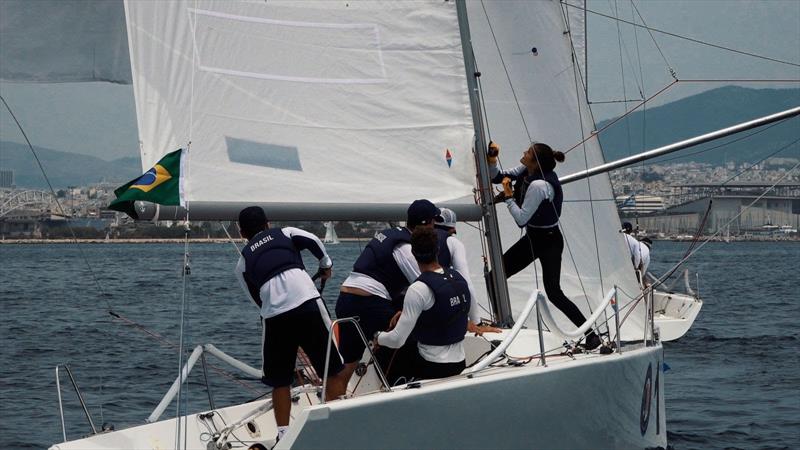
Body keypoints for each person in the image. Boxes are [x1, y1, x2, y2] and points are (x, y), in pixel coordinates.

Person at [234, 206, 345, 442]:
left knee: (280, 381)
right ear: (268, 223)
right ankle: (334, 425)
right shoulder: (286, 232)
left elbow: (257, 299)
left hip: (275, 316)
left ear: (242, 233)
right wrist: (325, 264)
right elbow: (313, 241)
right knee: (332, 370)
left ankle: (284, 435)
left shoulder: (242, 262)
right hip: (307, 303)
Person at [488, 141, 602, 350]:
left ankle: (591, 335)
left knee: (554, 292)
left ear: (536, 161)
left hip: (549, 241)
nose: (523, 152)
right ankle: (500, 325)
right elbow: (497, 176)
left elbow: (521, 219)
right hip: (534, 238)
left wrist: (508, 197)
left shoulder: (541, 186)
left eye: (528, 152)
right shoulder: (527, 169)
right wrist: (492, 159)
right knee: (493, 277)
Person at [333, 199, 440, 391]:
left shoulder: (392, 236)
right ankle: (400, 391)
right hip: (368, 302)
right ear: (425, 225)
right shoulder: (406, 248)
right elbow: (428, 285)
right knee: (405, 342)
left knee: (349, 364)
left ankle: (331, 407)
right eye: (434, 222)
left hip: (347, 300)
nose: (436, 227)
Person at [374, 227, 483, 380]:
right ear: (438, 249)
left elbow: (397, 340)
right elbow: (442, 312)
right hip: (459, 363)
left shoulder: (418, 289)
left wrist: (378, 337)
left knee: (386, 352)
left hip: (431, 367)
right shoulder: (458, 278)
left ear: (413, 253)